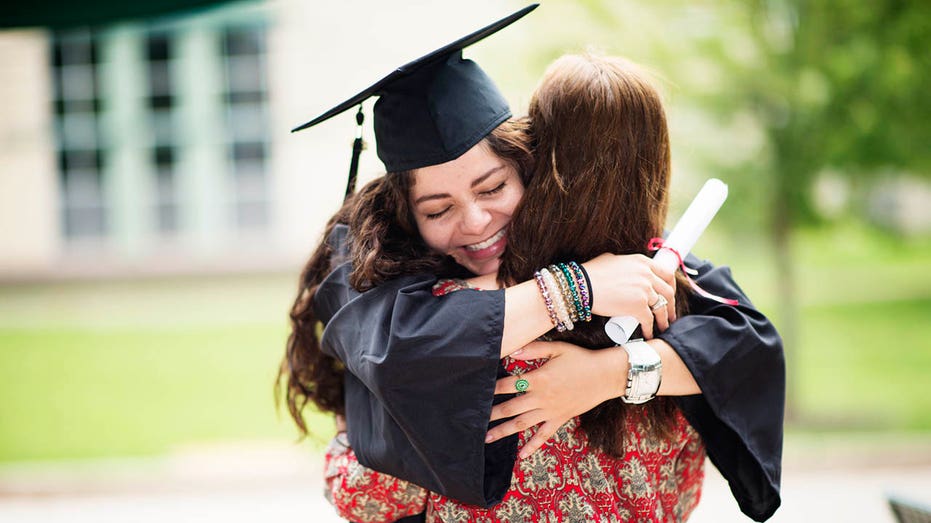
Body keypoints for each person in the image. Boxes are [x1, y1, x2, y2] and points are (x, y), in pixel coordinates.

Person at [280, 6, 784, 522]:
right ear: (404, 214)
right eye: (438, 209)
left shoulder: (632, 266)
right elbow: (400, 350)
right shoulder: (372, 278)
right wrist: (575, 288)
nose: (475, 221)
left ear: (530, 168)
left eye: (493, 187)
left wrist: (611, 373)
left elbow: (745, 342)